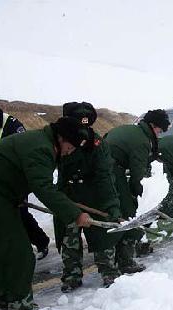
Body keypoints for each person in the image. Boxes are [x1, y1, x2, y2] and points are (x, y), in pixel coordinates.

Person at [0, 117, 91, 310]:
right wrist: (75, 214)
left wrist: (16, 194)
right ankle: (21, 307)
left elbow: (16, 172)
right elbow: (44, 188)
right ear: (61, 138)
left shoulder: (40, 141)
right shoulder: (42, 148)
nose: (70, 151)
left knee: (0, 249)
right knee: (19, 252)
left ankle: (1, 301)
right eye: (71, 146)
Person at [54, 102, 125, 292]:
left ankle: (109, 271)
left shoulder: (97, 143)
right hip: (67, 196)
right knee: (70, 237)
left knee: (101, 232)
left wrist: (111, 205)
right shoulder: (57, 140)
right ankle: (72, 275)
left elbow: (105, 176)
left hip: (94, 195)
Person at [0, 96, 50, 259]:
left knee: (18, 214)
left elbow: (25, 153)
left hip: (12, 180)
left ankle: (40, 242)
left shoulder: (10, 124)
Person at [105, 109, 170, 270]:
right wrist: (144, 200)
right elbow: (137, 177)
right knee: (131, 214)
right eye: (159, 131)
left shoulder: (131, 129)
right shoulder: (141, 141)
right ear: (152, 125)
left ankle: (115, 260)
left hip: (106, 170)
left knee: (116, 210)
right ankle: (125, 262)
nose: (159, 135)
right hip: (110, 171)